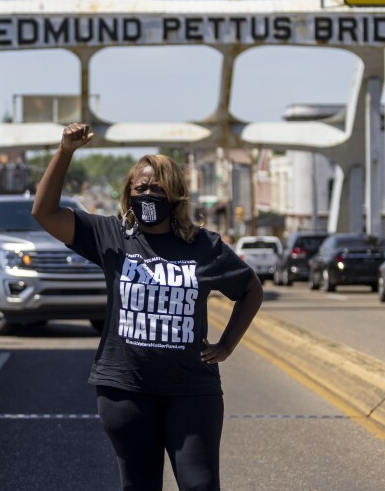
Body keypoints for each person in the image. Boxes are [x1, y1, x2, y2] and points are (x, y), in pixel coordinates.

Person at [32, 123, 263, 491]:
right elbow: (44, 213)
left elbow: (251, 289)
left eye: (157, 188)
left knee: (200, 485)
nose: (148, 195)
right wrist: (65, 152)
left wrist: (226, 345)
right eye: (140, 188)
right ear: (128, 193)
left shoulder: (205, 246)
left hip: (192, 391)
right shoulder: (110, 236)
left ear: (175, 195)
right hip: (125, 390)